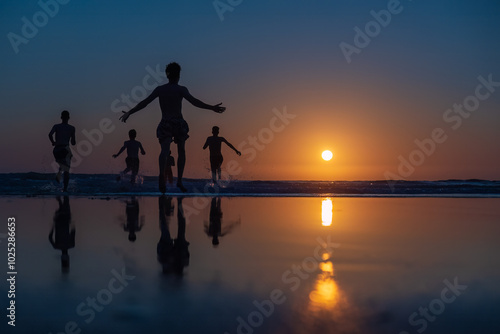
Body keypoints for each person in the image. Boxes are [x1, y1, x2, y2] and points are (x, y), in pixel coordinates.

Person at [119, 62, 225, 193]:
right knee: (181, 151)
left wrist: (130, 111)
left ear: (167, 75)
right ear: (179, 75)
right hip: (178, 122)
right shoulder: (181, 89)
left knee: (164, 150)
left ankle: (161, 177)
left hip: (166, 122)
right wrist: (212, 107)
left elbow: (144, 103)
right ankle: (179, 180)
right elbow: (195, 102)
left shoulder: (160, 89)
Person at [48, 110, 76, 192]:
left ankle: (59, 172)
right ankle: (65, 189)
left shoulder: (56, 126)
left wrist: (53, 142)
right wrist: (72, 137)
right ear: (69, 118)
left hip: (56, 149)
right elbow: (73, 143)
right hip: (65, 149)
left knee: (61, 163)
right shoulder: (72, 128)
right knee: (67, 170)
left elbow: (50, 134)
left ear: (61, 117)